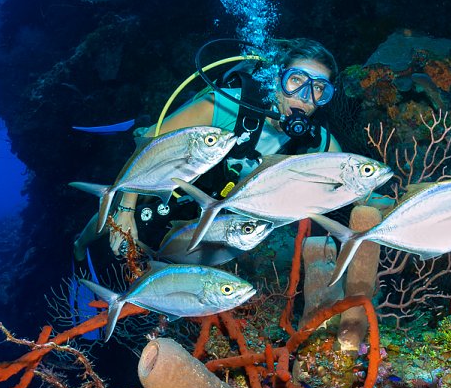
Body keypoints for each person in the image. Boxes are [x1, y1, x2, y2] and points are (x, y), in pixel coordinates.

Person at [74, 38, 341, 258]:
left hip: (214, 200)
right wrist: (126, 210)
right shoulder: (226, 105)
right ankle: (80, 244)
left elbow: (352, 180)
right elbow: (152, 145)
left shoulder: (316, 140)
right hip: (175, 171)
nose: (306, 97)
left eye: (319, 89)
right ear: (277, 80)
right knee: (125, 200)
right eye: (296, 81)